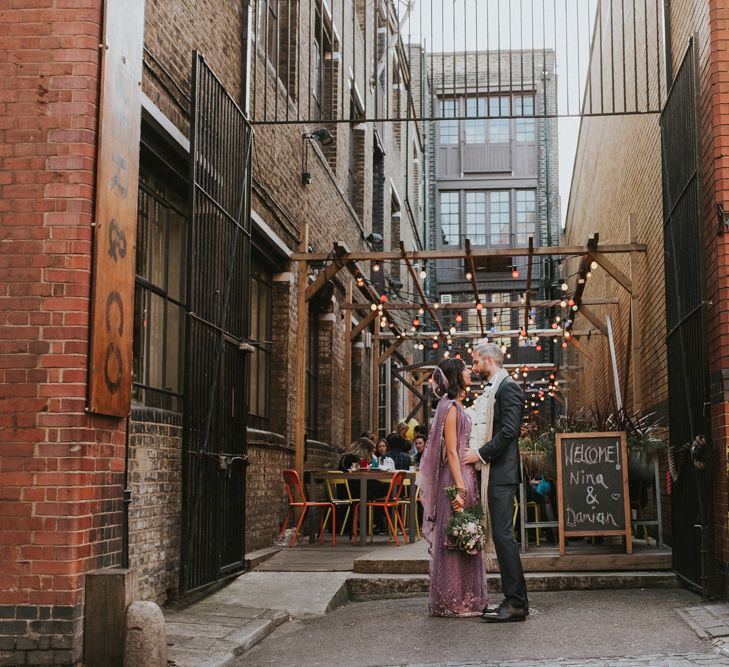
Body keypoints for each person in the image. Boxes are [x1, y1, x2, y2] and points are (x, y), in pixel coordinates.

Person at [462, 341, 528, 623]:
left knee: (503, 538)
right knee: (501, 538)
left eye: (476, 361)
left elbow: (510, 432)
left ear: (489, 360)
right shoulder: (493, 389)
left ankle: (516, 604)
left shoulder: (508, 387)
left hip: (501, 473)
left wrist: (479, 453)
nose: (474, 367)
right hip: (495, 472)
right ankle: (513, 600)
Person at [419, 358, 486, 617]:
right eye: (465, 368)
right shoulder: (452, 408)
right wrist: (460, 487)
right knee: (456, 537)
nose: (470, 371)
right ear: (457, 375)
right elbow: (451, 450)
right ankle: (454, 599)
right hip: (457, 477)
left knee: (464, 536)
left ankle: (465, 596)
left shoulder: (453, 406)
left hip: (464, 474)